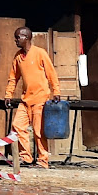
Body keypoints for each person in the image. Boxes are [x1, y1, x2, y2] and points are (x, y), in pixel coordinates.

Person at [4, 26, 61, 169]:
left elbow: (51, 73)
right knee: (17, 126)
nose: (16, 40)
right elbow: (13, 78)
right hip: (25, 99)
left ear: (26, 38)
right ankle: (26, 158)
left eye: (18, 37)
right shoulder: (18, 56)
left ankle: (43, 160)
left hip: (40, 99)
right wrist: (8, 94)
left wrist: (56, 91)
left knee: (38, 131)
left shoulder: (40, 53)